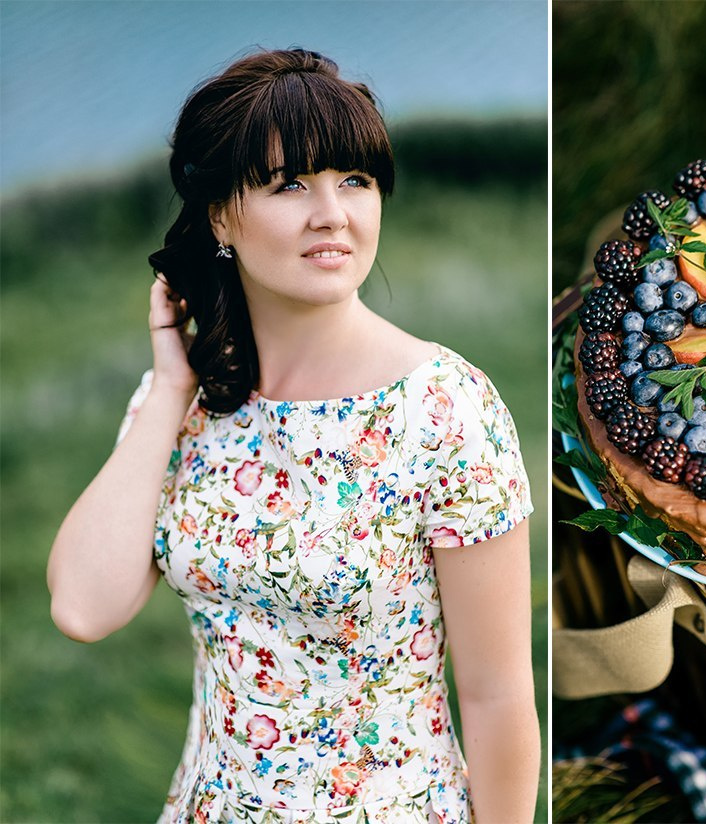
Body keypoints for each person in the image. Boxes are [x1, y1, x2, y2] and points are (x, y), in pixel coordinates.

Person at [46, 48, 539, 823]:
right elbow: (82, 607)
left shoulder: (446, 410)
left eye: (355, 181)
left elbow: (499, 694)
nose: (332, 214)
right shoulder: (184, 401)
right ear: (219, 214)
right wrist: (172, 386)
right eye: (289, 185)